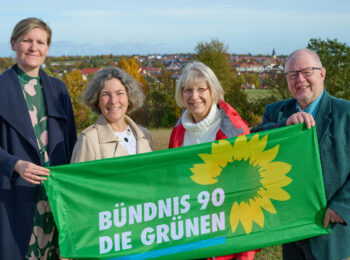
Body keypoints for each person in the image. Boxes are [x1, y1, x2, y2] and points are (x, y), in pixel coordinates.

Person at [251, 48, 350, 260]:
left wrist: (342, 206)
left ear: (322, 73)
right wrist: (284, 126)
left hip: (329, 230)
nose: (300, 79)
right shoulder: (275, 112)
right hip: (291, 229)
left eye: (307, 72)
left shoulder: (346, 113)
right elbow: (252, 144)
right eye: (293, 75)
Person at [0, 18, 77, 259]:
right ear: (13, 44)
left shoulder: (59, 89)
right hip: (13, 196)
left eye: (41, 42)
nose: (34, 48)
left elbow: (71, 142)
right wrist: (14, 164)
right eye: (27, 41)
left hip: (55, 198)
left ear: (47, 48)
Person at [169, 61, 258, 260]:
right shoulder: (178, 130)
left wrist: (245, 254)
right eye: (188, 90)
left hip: (225, 241)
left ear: (213, 91)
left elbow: (248, 196)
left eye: (202, 89)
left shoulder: (235, 130)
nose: (194, 96)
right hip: (189, 237)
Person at [71, 67, 153, 163]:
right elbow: (77, 177)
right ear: (96, 100)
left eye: (119, 93)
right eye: (105, 94)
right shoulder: (88, 139)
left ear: (129, 97)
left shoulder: (145, 135)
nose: (113, 101)